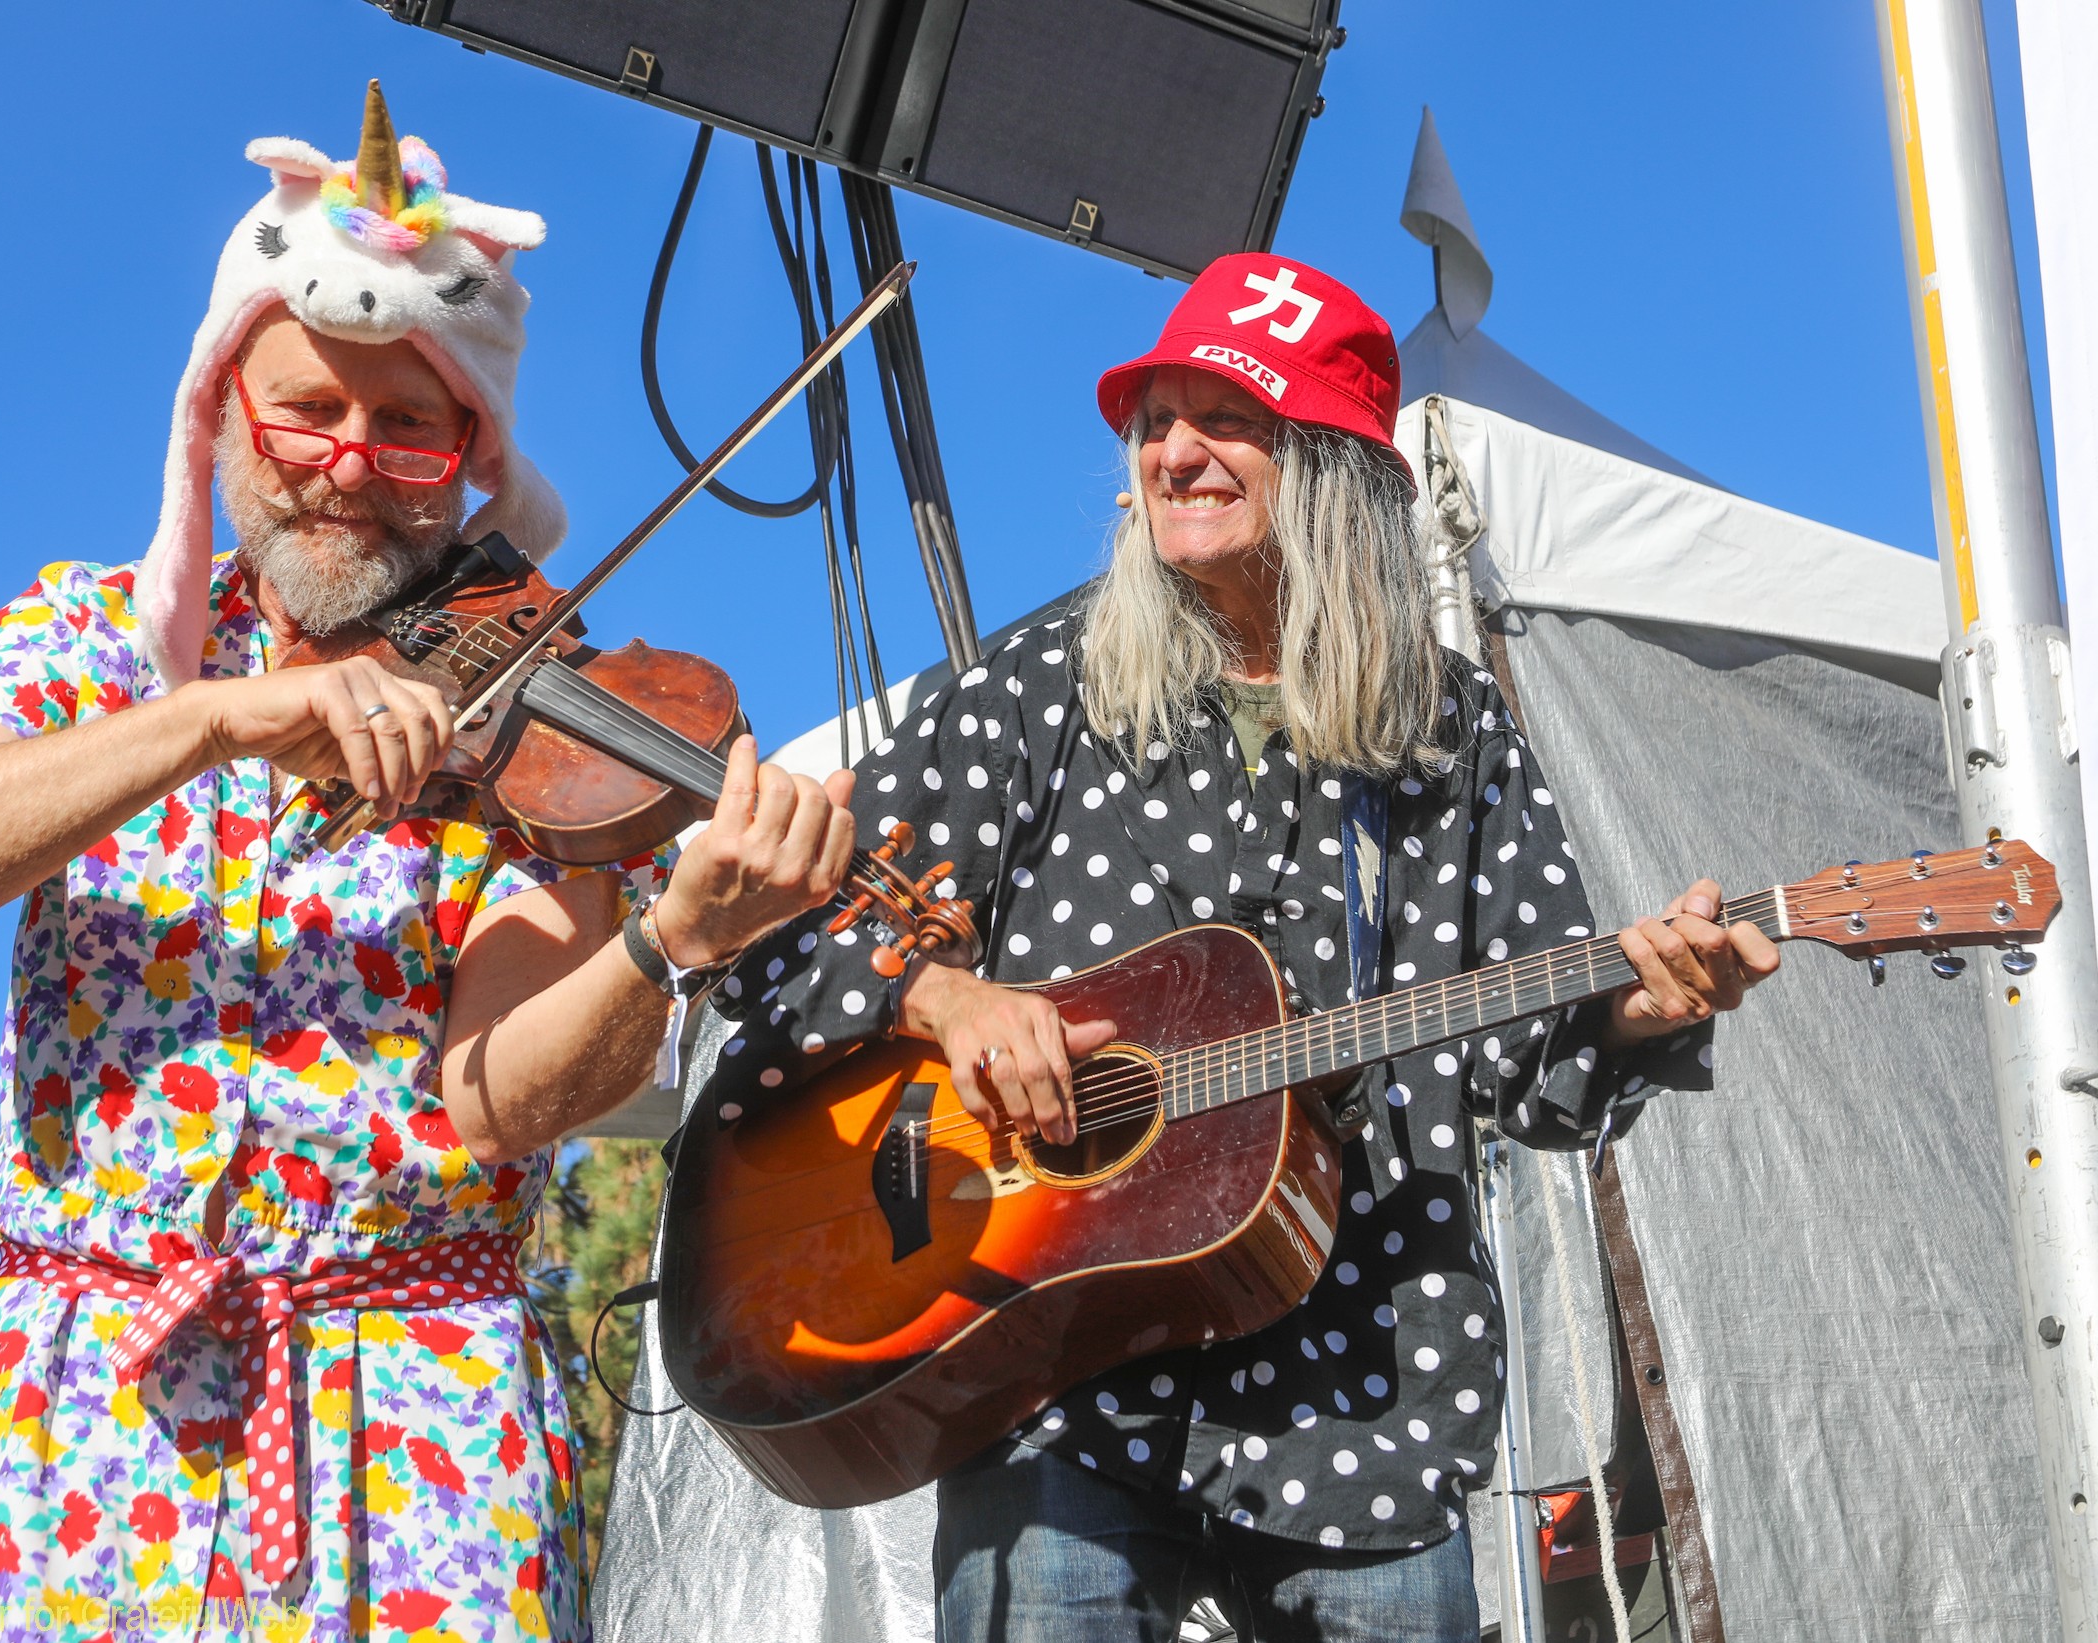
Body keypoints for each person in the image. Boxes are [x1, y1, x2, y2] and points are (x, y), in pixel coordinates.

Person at [0, 88, 853, 1642]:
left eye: (408, 428)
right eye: (309, 411)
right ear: (225, 413)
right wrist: (215, 721)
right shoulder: (85, 642)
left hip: (411, 1437)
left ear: (468, 452)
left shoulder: (528, 711)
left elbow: (496, 1097)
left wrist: (667, 951)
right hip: (66, 1423)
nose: (351, 463)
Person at [702, 253, 1780, 1641]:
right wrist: (949, 996)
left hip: (1367, 1382)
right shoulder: (1040, 683)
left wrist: (1648, 1011)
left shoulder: (1446, 730)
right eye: (1156, 418)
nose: (1175, 450)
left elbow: (1533, 1073)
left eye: (1229, 417)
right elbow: (777, 922)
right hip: (1056, 1386)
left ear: (1328, 464)